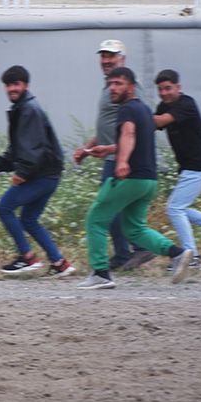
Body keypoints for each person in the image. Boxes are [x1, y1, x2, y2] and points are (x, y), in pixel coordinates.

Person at [77, 67, 192, 289]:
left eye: (118, 83)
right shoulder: (144, 110)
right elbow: (136, 140)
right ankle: (177, 253)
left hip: (130, 178)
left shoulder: (127, 109)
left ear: (131, 87)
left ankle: (100, 273)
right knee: (134, 228)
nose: (113, 88)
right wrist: (109, 149)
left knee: (96, 219)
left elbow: (129, 133)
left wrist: (121, 161)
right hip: (148, 181)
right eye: (111, 84)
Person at [73, 39, 153, 271]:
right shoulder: (110, 87)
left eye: (112, 56)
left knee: (106, 207)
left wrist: (123, 158)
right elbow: (108, 127)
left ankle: (129, 252)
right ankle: (130, 252)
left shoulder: (126, 89)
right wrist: (87, 149)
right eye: (104, 56)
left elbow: (132, 127)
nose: (106, 61)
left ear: (123, 59)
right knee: (117, 208)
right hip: (111, 156)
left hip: (118, 159)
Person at [0, 66, 74, 277]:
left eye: (16, 84)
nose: (12, 89)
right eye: (8, 85)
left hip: (41, 175)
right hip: (48, 174)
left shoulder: (28, 110)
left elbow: (33, 147)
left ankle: (26, 258)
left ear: (25, 85)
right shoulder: (22, 108)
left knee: (4, 208)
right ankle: (60, 263)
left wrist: (22, 172)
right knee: (29, 219)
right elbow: (18, 147)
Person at [153, 69, 201, 270]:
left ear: (178, 88)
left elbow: (160, 122)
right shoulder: (163, 106)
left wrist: (134, 112)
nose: (164, 93)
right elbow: (150, 127)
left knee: (174, 208)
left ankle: (192, 257)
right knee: (179, 208)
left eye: (168, 88)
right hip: (190, 168)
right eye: (160, 89)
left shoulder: (186, 104)